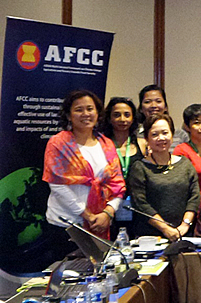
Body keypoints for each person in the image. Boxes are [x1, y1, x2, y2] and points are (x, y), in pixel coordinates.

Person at [43, 90, 126, 261]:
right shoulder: (58, 143)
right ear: (68, 115)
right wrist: (87, 216)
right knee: (70, 280)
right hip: (67, 225)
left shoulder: (107, 144)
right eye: (79, 110)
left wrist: (108, 213)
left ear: (97, 113)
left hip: (101, 224)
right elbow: (57, 185)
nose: (85, 114)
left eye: (90, 109)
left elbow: (117, 185)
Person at [128, 113, 201, 241]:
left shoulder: (185, 163)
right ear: (147, 139)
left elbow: (194, 197)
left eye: (165, 133)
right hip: (150, 237)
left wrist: (185, 225)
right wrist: (166, 229)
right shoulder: (139, 167)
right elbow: (140, 203)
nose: (161, 138)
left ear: (172, 135)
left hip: (184, 233)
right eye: (154, 134)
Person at [101, 97, 147, 237]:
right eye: (116, 115)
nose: (122, 119)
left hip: (137, 205)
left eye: (127, 114)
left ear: (133, 118)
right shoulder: (102, 145)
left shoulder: (142, 144)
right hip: (109, 205)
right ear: (109, 118)